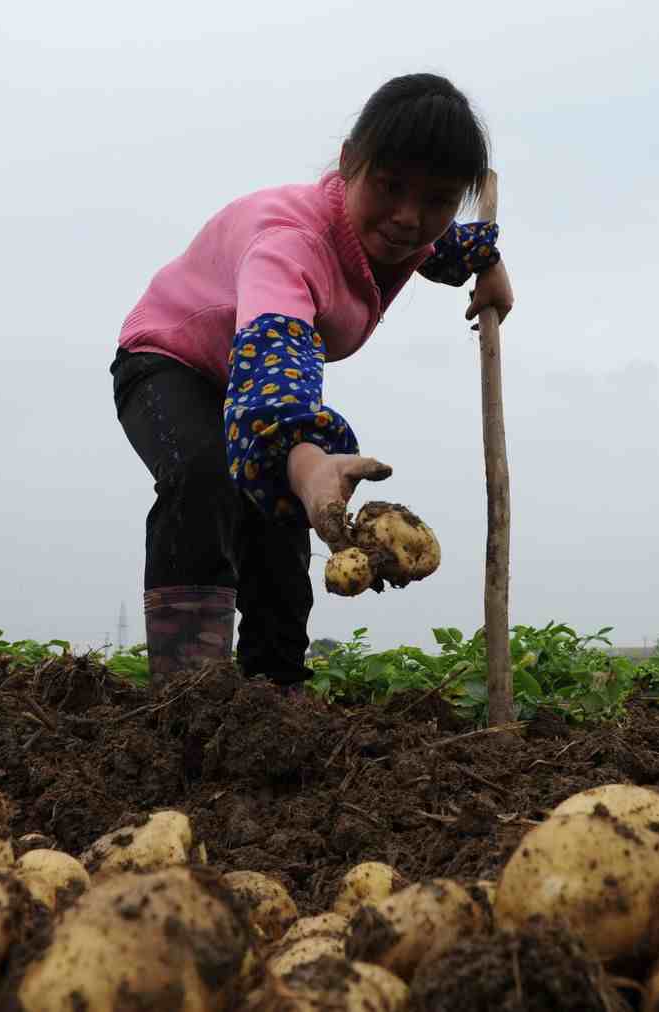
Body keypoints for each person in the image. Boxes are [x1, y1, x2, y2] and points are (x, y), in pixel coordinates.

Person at [109, 73, 515, 692]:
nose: (409, 217)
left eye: (437, 199)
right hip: (167, 362)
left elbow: (440, 246)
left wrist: (489, 269)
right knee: (206, 478)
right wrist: (307, 464)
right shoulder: (290, 246)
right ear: (352, 162)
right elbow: (273, 376)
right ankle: (188, 695)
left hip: (251, 387)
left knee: (278, 528)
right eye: (390, 187)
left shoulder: (404, 232)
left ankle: (276, 692)